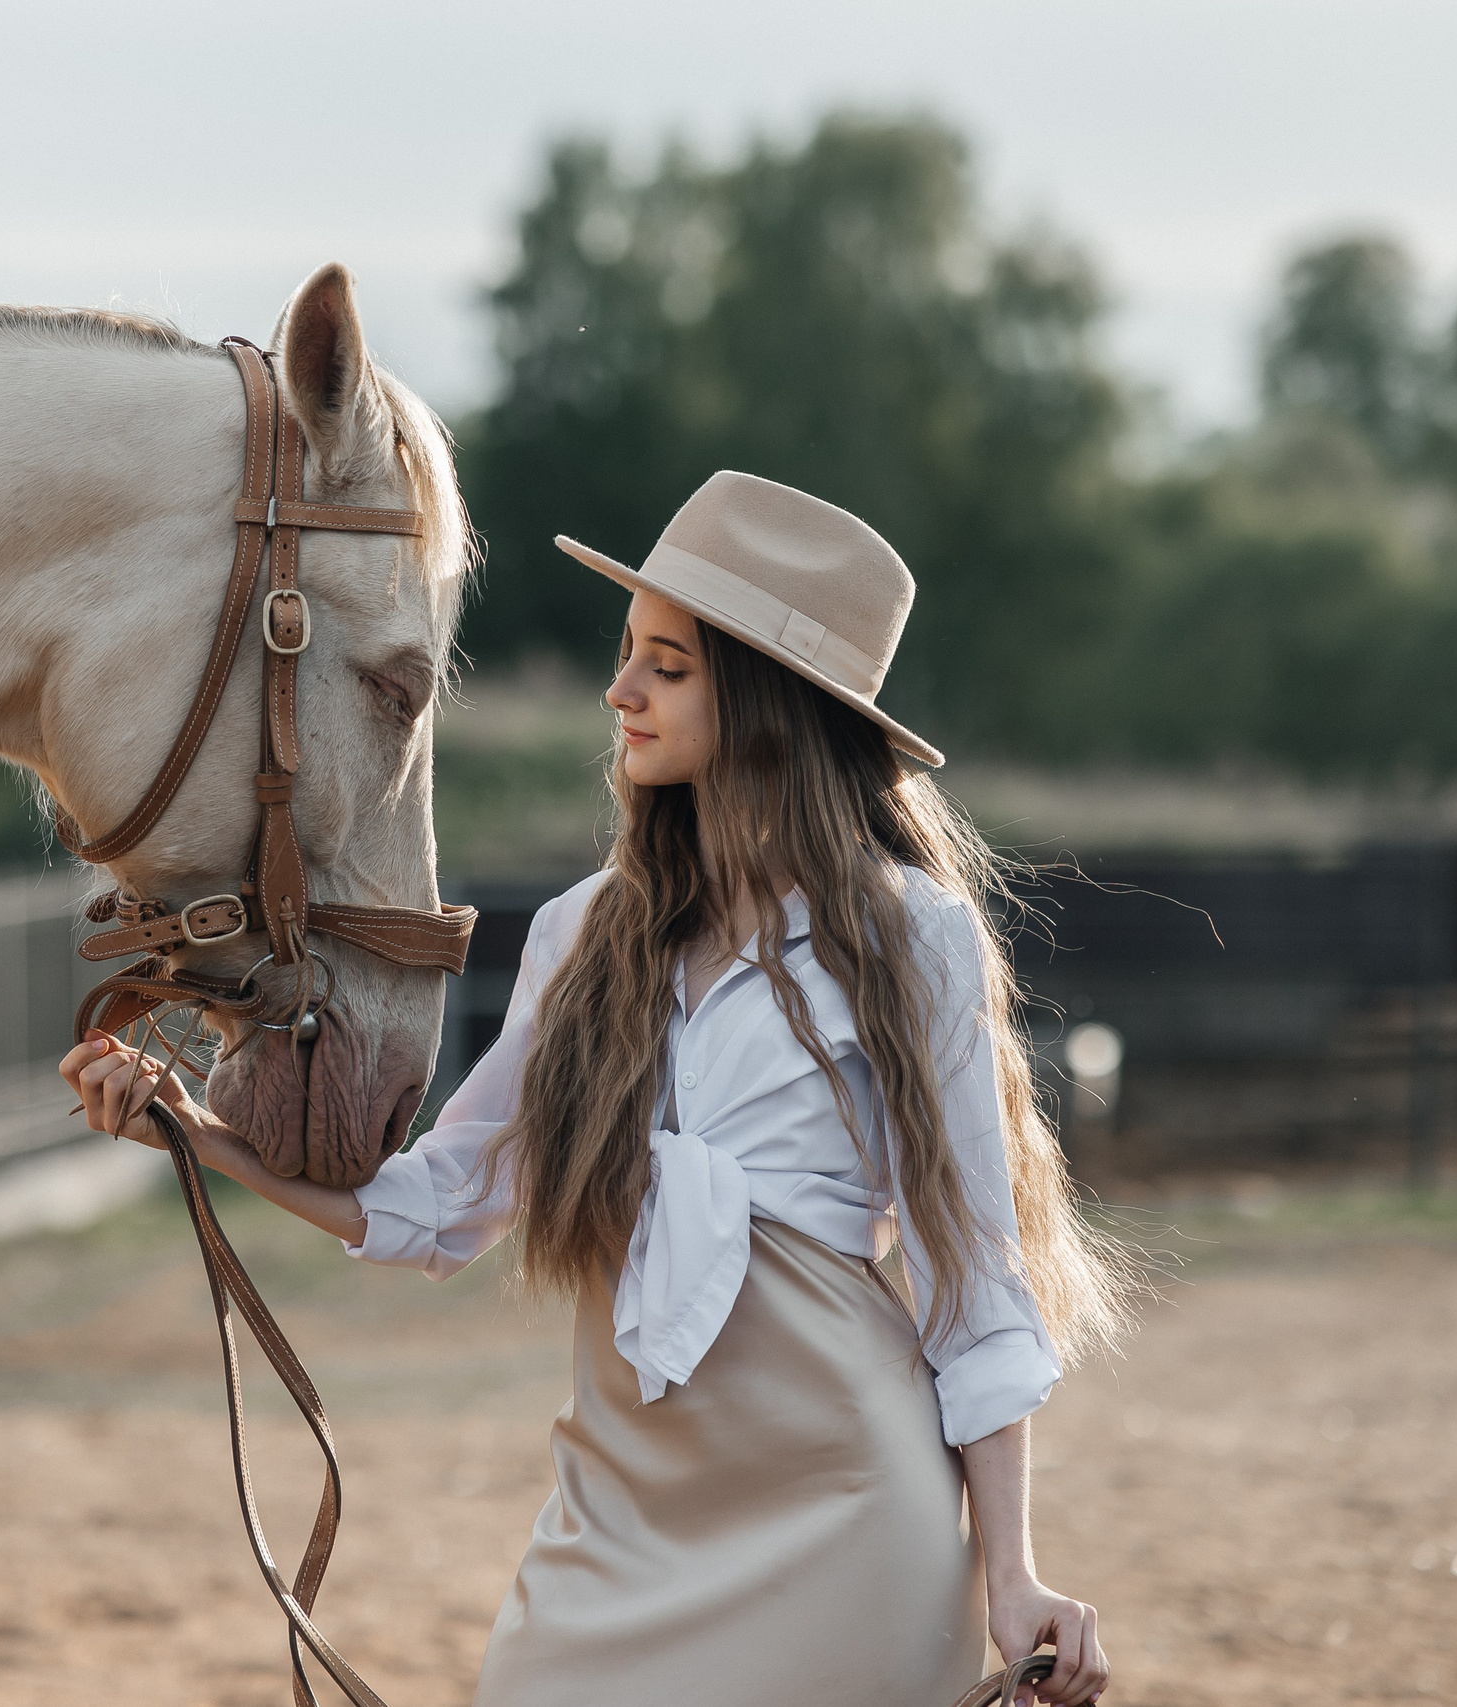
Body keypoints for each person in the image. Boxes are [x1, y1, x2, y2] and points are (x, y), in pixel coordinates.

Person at [62, 472, 1133, 1706]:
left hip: (848, 1505)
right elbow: (437, 1207)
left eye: (667, 667)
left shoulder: (915, 938)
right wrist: (195, 1134)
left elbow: (972, 1284)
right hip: (613, 1518)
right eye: (628, 657)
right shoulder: (580, 936)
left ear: (767, 702)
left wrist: (1014, 1578)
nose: (619, 691)